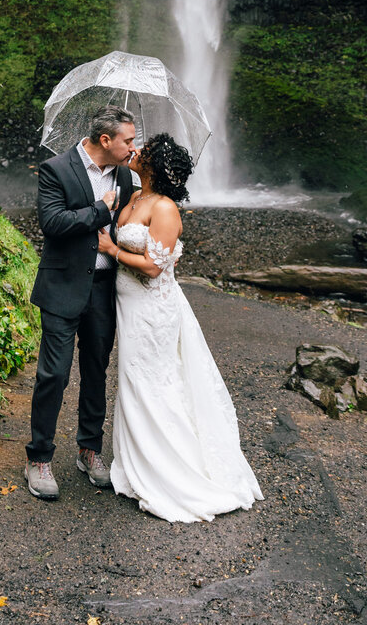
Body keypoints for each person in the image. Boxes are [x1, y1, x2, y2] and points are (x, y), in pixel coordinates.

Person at [98, 132, 263, 522]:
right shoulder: (136, 196)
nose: (137, 151)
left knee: (151, 382)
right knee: (133, 380)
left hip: (152, 309)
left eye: (145, 150)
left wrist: (112, 250)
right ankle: (137, 463)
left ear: (154, 165)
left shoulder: (166, 208)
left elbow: (155, 267)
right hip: (128, 305)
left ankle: (169, 473)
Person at [25, 106, 136, 500]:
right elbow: (52, 223)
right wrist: (100, 211)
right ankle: (39, 458)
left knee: (96, 371)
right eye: (128, 140)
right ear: (105, 140)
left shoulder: (126, 175)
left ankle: (90, 451)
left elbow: (128, 225)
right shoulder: (56, 169)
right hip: (62, 286)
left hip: (105, 288)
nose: (133, 148)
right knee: (53, 374)